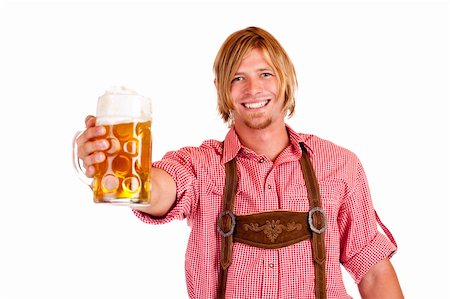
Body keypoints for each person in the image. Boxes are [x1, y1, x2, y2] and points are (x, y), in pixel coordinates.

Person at [76, 26, 404, 299]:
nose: (253, 89)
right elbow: (161, 188)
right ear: (222, 90)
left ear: (285, 81)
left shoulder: (339, 165)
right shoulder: (201, 165)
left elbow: (373, 271)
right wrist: (122, 172)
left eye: (265, 74)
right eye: (237, 78)